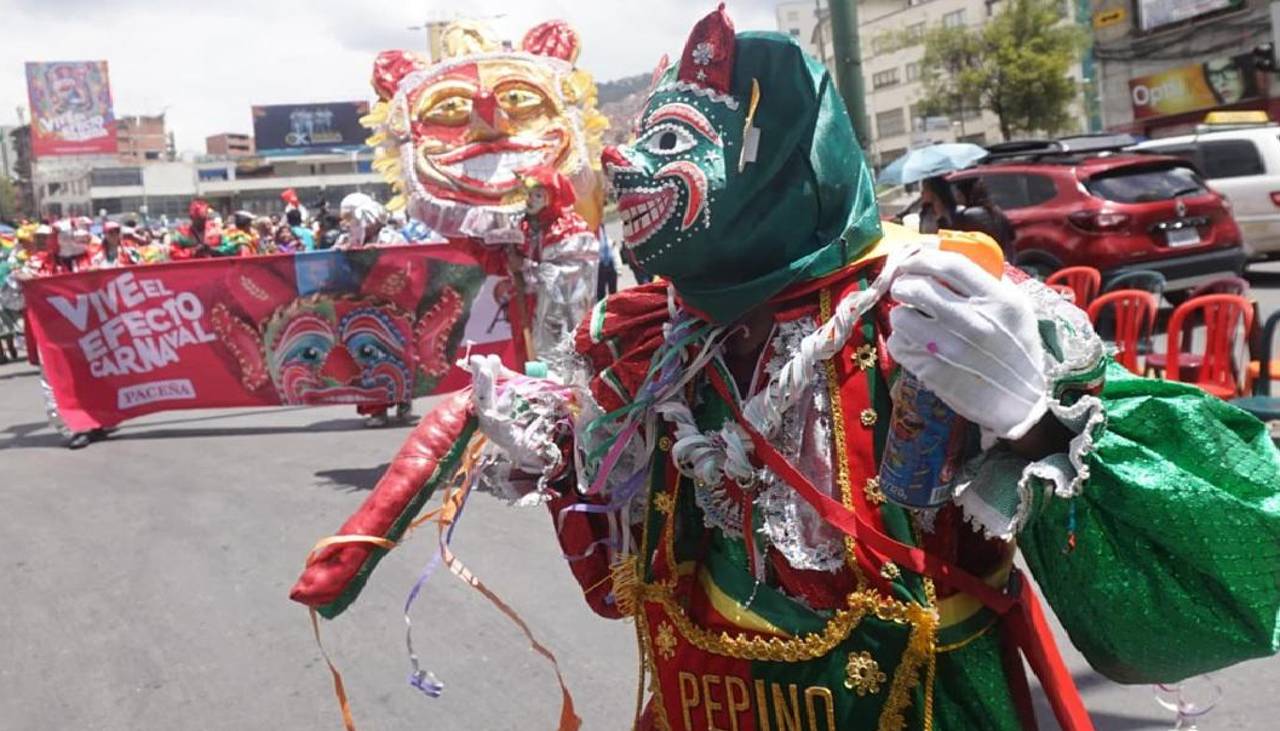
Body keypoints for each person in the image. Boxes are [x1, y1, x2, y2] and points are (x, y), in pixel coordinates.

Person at [293, 10, 1280, 730]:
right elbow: (626, 579)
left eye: (671, 144)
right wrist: (557, 455)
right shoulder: (651, 337)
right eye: (640, 141)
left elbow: (1226, 570)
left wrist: (1038, 423)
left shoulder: (931, 302)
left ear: (777, 157)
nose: (629, 169)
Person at [595, 223, 617, 302]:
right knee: (601, 292)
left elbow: (605, 241)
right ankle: (602, 307)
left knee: (613, 290)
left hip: (609, 261)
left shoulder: (601, 227)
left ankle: (614, 305)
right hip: (600, 263)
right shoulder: (593, 228)